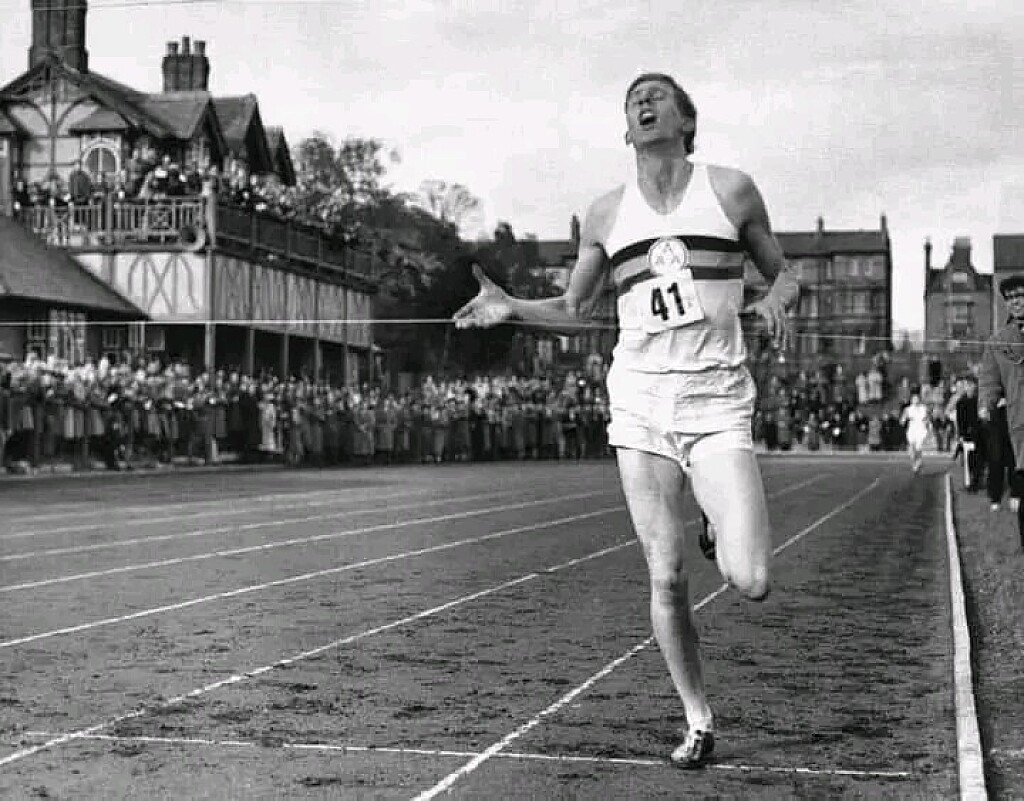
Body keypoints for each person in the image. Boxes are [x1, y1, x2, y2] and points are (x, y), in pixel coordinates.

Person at [454, 72, 799, 769]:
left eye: (657, 95)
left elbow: (785, 273)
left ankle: (716, 520)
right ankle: (698, 717)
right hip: (640, 402)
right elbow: (575, 310)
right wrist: (513, 308)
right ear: (626, 128)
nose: (643, 102)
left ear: (686, 120)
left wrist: (774, 299)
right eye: (633, 99)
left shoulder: (731, 191)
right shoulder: (607, 214)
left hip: (716, 402)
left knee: (752, 578)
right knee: (666, 575)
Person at [980, 275, 1024, 546]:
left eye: (1020, 296)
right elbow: (989, 380)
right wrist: (986, 405)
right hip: (1020, 425)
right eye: (1010, 299)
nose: (1015, 303)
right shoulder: (998, 342)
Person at [900, 391, 930, 473]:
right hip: (912, 430)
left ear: (919, 400)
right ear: (911, 400)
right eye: (914, 399)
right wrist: (904, 420)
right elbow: (902, 420)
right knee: (912, 447)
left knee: (918, 448)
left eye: (917, 399)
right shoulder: (908, 409)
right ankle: (915, 463)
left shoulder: (924, 408)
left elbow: (927, 418)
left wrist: (927, 424)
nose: (915, 401)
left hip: (921, 429)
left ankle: (919, 461)